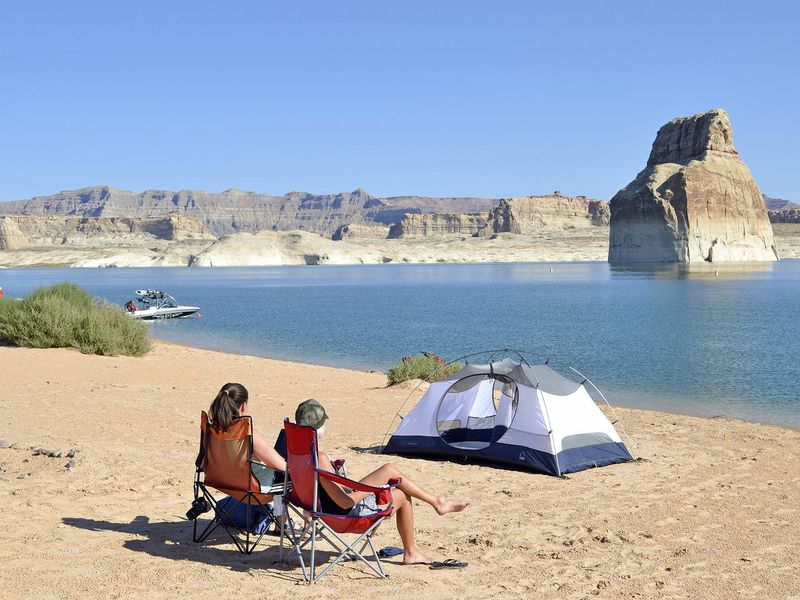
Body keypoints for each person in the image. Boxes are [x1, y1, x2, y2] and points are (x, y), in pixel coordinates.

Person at [294, 398, 469, 565]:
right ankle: (414, 546)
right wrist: (370, 489)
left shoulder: (297, 456)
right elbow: (345, 502)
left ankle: (435, 508)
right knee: (398, 487)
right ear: (318, 428)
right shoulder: (320, 458)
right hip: (344, 515)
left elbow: (330, 490)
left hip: (323, 509)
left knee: (390, 472)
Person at [207, 383, 286, 486]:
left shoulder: (211, 430)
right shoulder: (247, 434)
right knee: (285, 439)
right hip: (256, 487)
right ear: (244, 406)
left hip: (224, 482)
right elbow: (283, 466)